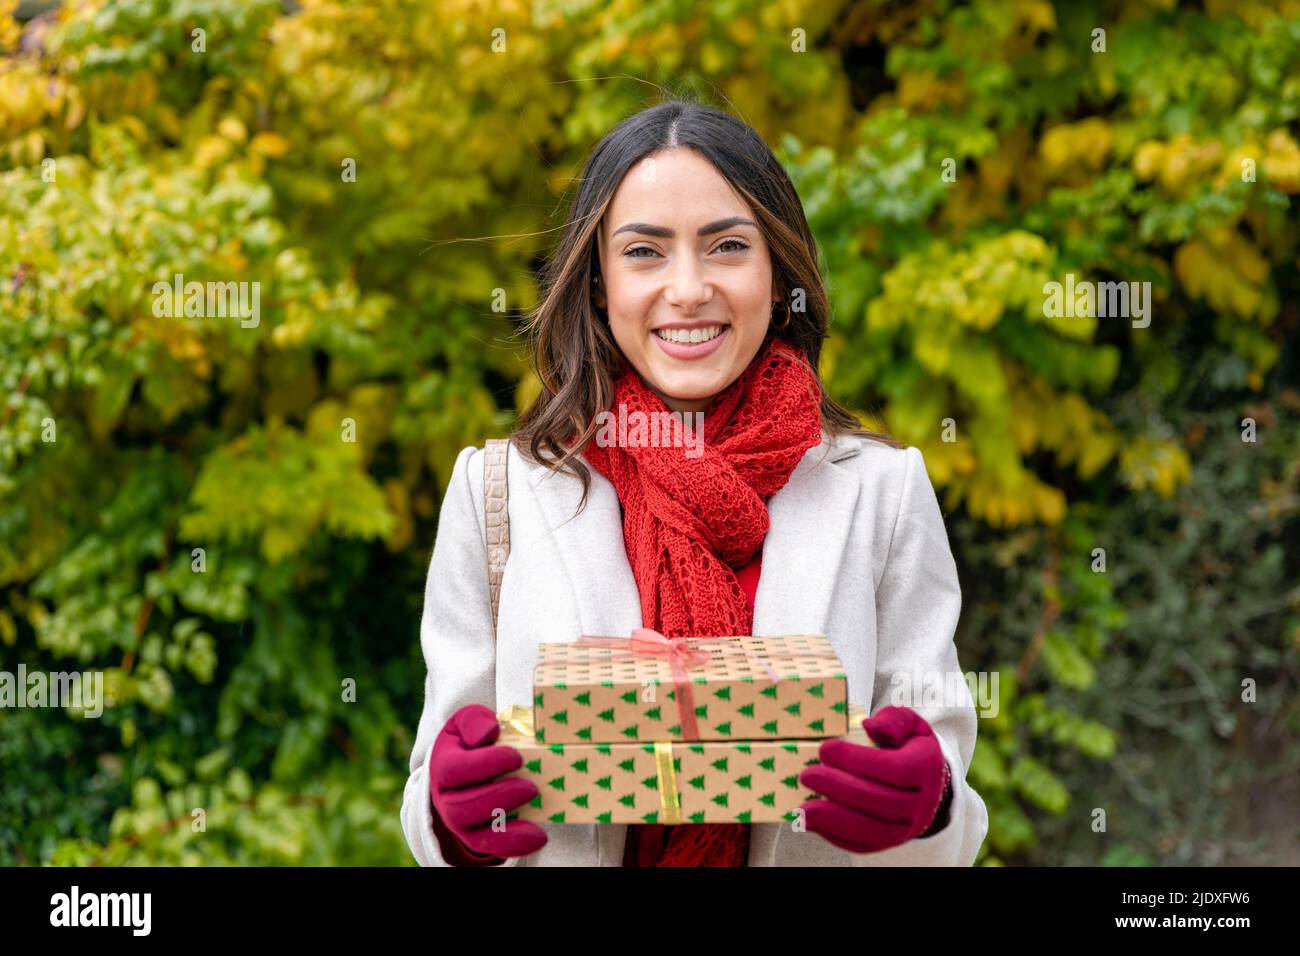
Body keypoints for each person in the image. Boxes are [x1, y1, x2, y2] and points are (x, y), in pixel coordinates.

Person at [400, 100, 988, 867]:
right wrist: (451, 819)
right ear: (600, 283)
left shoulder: (881, 490)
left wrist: (927, 807)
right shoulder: (499, 491)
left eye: (727, 247)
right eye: (645, 252)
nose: (687, 289)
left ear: (778, 277)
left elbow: (954, 816)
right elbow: (430, 798)